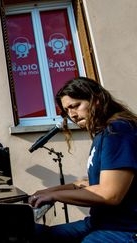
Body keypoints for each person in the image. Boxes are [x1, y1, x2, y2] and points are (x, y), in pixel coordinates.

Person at [29, 77, 137, 242]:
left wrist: (55, 196)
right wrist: (50, 191)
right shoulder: (103, 133)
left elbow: (110, 194)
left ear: (96, 100)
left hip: (123, 230)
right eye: (67, 111)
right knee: (34, 235)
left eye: (75, 106)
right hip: (98, 223)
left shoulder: (118, 131)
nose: (72, 115)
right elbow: (93, 182)